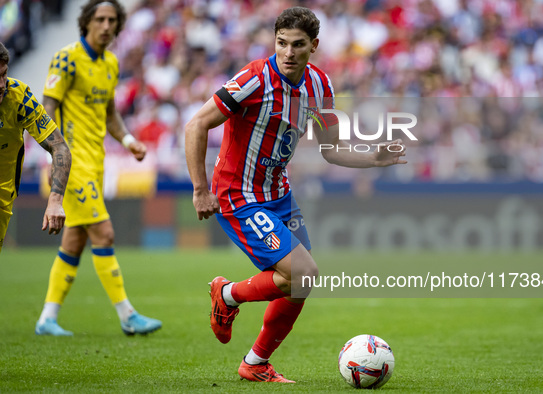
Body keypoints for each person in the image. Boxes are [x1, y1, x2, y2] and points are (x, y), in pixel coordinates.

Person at [184, 6, 407, 383]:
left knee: (301, 283)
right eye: (281, 43)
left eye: (298, 45)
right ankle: (227, 296)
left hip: (279, 194)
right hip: (239, 194)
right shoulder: (253, 79)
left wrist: (373, 158)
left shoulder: (321, 86)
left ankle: (254, 363)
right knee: (303, 271)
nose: (288, 52)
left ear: (314, 46)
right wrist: (200, 188)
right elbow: (197, 124)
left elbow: (331, 149)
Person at [35, 0, 161, 336]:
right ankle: (127, 315)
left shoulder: (110, 63)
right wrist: (53, 154)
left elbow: (109, 115)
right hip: (71, 162)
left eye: (112, 20)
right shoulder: (66, 58)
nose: (106, 25)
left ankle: (47, 318)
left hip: (97, 160)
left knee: (74, 241)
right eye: (100, 19)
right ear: (87, 22)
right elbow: (47, 110)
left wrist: (129, 140)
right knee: (104, 233)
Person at [0, 41, 71, 254]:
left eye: (3, 74)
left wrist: (55, 200)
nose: (1, 84)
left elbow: (60, 148)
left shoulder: (18, 97)